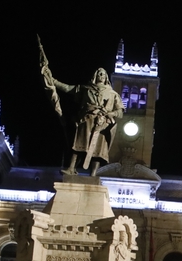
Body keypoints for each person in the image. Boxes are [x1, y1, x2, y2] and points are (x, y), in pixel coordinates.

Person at [41, 47, 124, 176]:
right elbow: (68, 88)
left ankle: (93, 174)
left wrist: (110, 114)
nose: (101, 75)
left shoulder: (113, 94)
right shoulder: (85, 89)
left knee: (99, 149)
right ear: (95, 76)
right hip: (86, 120)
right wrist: (52, 80)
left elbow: (120, 111)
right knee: (78, 144)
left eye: (103, 74)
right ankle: (71, 168)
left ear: (106, 77)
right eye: (99, 73)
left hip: (102, 124)